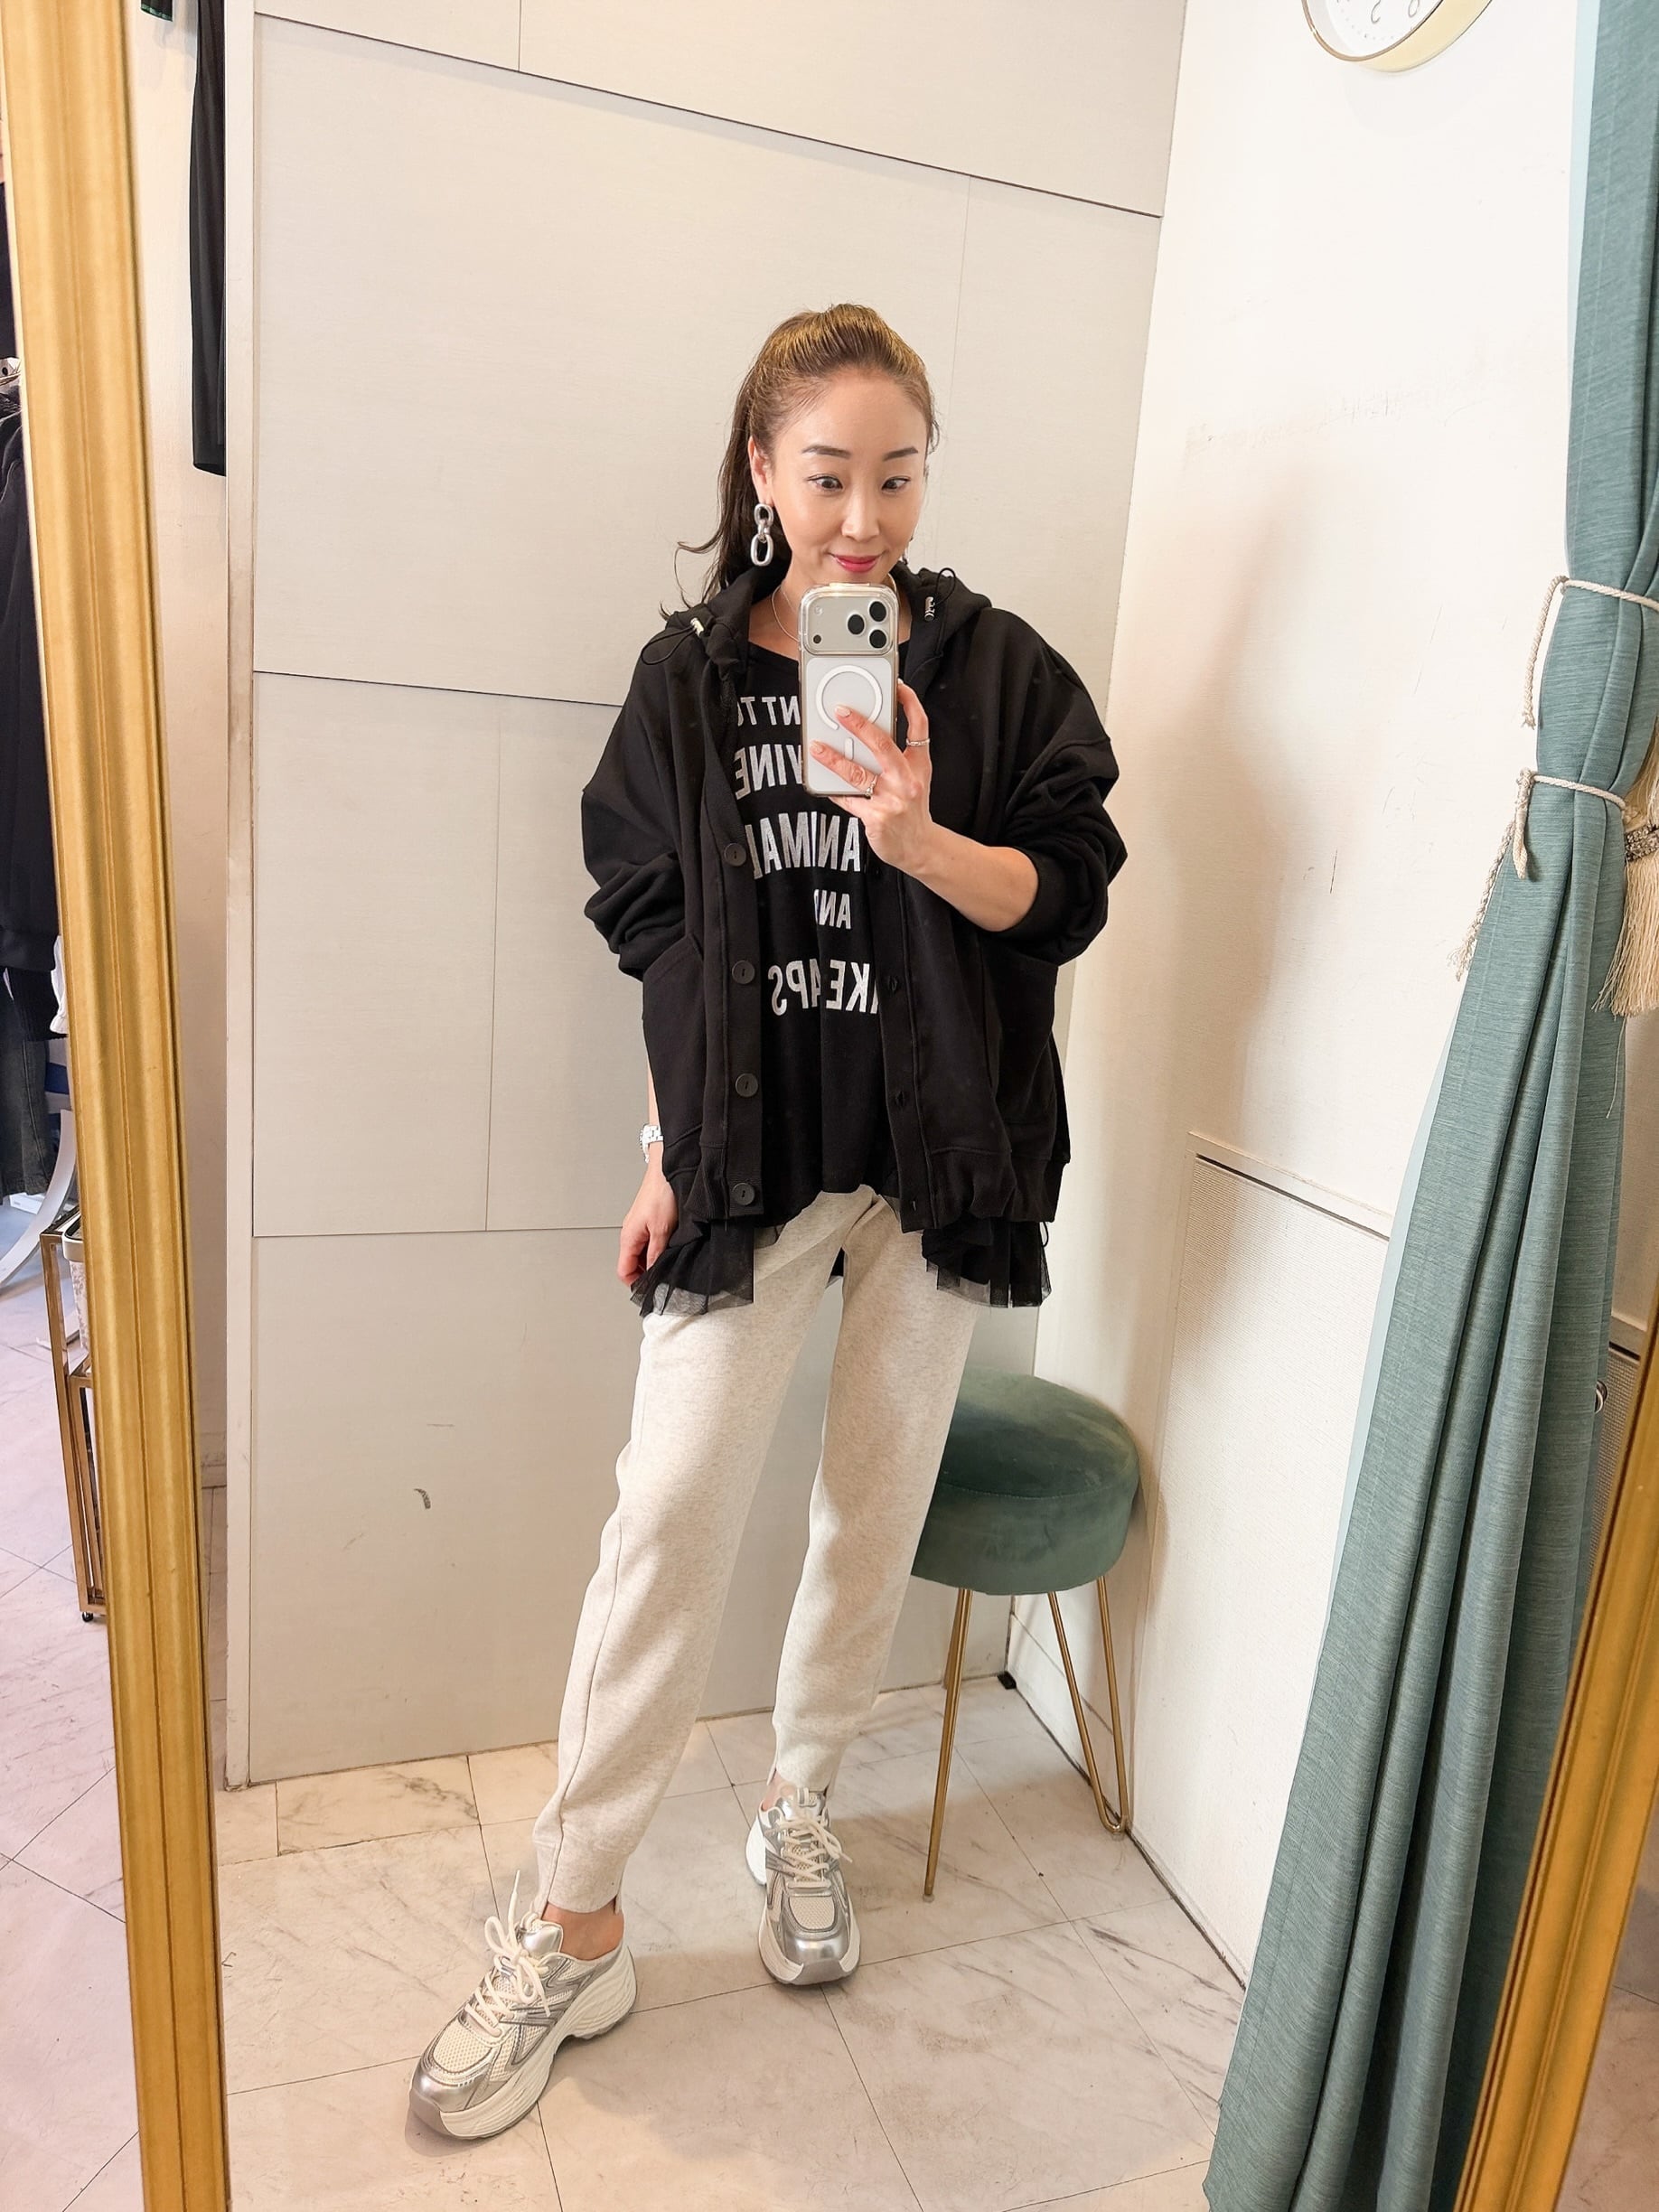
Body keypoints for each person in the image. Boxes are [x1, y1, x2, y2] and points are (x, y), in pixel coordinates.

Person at [408, 303, 1127, 2142]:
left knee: (870, 1507)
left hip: (941, 1158)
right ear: (760, 471)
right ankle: (575, 1920)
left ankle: (802, 1805)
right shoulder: (686, 686)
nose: (863, 519)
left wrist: (921, 835)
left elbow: (1065, 894)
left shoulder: (997, 673)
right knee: (667, 1515)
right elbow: (652, 928)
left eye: (898, 476)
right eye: (827, 477)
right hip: (757, 1154)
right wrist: (665, 1145)